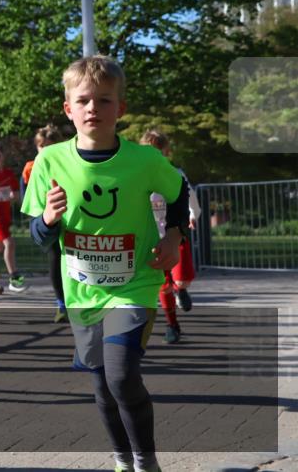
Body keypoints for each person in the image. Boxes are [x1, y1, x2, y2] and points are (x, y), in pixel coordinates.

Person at [22, 55, 190, 472]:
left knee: (119, 375)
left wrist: (173, 235)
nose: (92, 108)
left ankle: (147, 462)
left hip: (134, 285)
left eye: (104, 100)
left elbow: (178, 193)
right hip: (83, 291)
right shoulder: (50, 162)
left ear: (121, 109)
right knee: (101, 385)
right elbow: (39, 237)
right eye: (83, 100)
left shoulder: (145, 160)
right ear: (68, 109)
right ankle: (121, 460)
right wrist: (48, 219)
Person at [139, 129, 201, 344]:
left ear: (165, 152)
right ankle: (172, 325)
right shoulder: (137, 177)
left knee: (181, 278)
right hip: (152, 237)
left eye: (158, 151)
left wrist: (192, 215)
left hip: (175, 233)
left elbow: (190, 198)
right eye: (149, 151)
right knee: (161, 285)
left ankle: (180, 289)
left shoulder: (176, 173)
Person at [23, 124, 67, 321]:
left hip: (65, 215)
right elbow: (26, 197)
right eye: (41, 146)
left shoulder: (68, 165)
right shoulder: (30, 169)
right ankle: (61, 303)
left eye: (49, 146)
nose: (44, 150)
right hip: (44, 218)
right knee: (55, 257)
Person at [0, 142, 26, 292]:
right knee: (10, 243)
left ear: (3, 157)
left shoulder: (8, 174)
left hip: (5, 214)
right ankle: (14, 279)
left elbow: (16, 194)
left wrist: (12, 196)